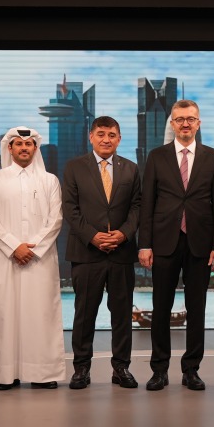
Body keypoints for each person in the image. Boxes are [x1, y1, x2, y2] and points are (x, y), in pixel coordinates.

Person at [138, 100, 214, 391]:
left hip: (201, 242)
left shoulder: (212, 157)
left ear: (198, 123)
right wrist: (145, 245)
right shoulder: (156, 156)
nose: (185, 124)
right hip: (164, 241)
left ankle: (191, 370)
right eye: (180, 119)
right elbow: (147, 204)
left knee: (197, 308)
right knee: (160, 308)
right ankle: (159, 370)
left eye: (191, 119)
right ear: (172, 124)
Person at [0, 127, 66, 390]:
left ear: (35, 148)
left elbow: (56, 220)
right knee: (8, 314)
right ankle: (8, 374)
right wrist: (14, 246)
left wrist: (33, 248)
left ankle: (43, 373)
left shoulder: (49, 180)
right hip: (8, 259)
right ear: (9, 148)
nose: (24, 148)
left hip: (40, 260)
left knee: (42, 314)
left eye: (29, 144)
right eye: (18, 144)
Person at [61, 116, 141, 389]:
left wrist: (124, 233)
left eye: (112, 135)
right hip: (86, 252)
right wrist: (93, 236)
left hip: (121, 252)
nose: (106, 139)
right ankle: (81, 369)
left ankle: (121, 368)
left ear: (119, 139)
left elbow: (137, 207)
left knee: (121, 314)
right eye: (101, 134)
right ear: (91, 137)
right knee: (84, 315)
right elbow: (70, 208)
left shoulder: (131, 169)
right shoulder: (73, 167)